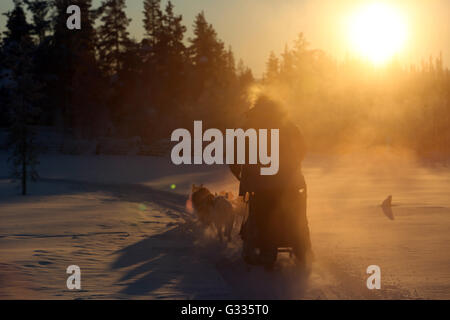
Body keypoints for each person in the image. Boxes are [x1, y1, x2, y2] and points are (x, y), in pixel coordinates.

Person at [229, 95, 312, 269]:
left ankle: (267, 250)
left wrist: (239, 173)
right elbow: (302, 149)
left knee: (262, 216)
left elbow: (235, 155)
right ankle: (302, 248)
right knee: (297, 215)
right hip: (292, 183)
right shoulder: (289, 126)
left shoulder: (248, 128)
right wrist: (292, 166)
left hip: (260, 185)